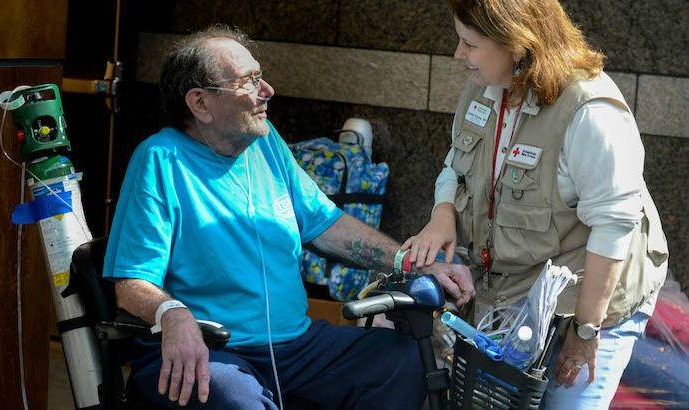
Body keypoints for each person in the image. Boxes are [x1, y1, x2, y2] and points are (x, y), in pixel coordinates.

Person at [103, 26, 474, 410]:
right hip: (213, 350)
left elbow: (327, 225)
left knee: (399, 362)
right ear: (200, 103)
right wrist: (172, 312)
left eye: (260, 76)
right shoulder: (160, 159)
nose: (267, 91)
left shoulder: (264, 142)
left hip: (296, 347)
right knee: (236, 397)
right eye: (249, 82)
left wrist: (413, 263)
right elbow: (131, 282)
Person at [402, 0, 669, 408]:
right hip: (517, 292)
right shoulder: (486, 83)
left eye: (469, 44)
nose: (458, 55)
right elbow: (454, 166)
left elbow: (616, 226)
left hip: (595, 298)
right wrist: (443, 215)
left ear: (516, 44)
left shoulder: (591, 112)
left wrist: (584, 333)